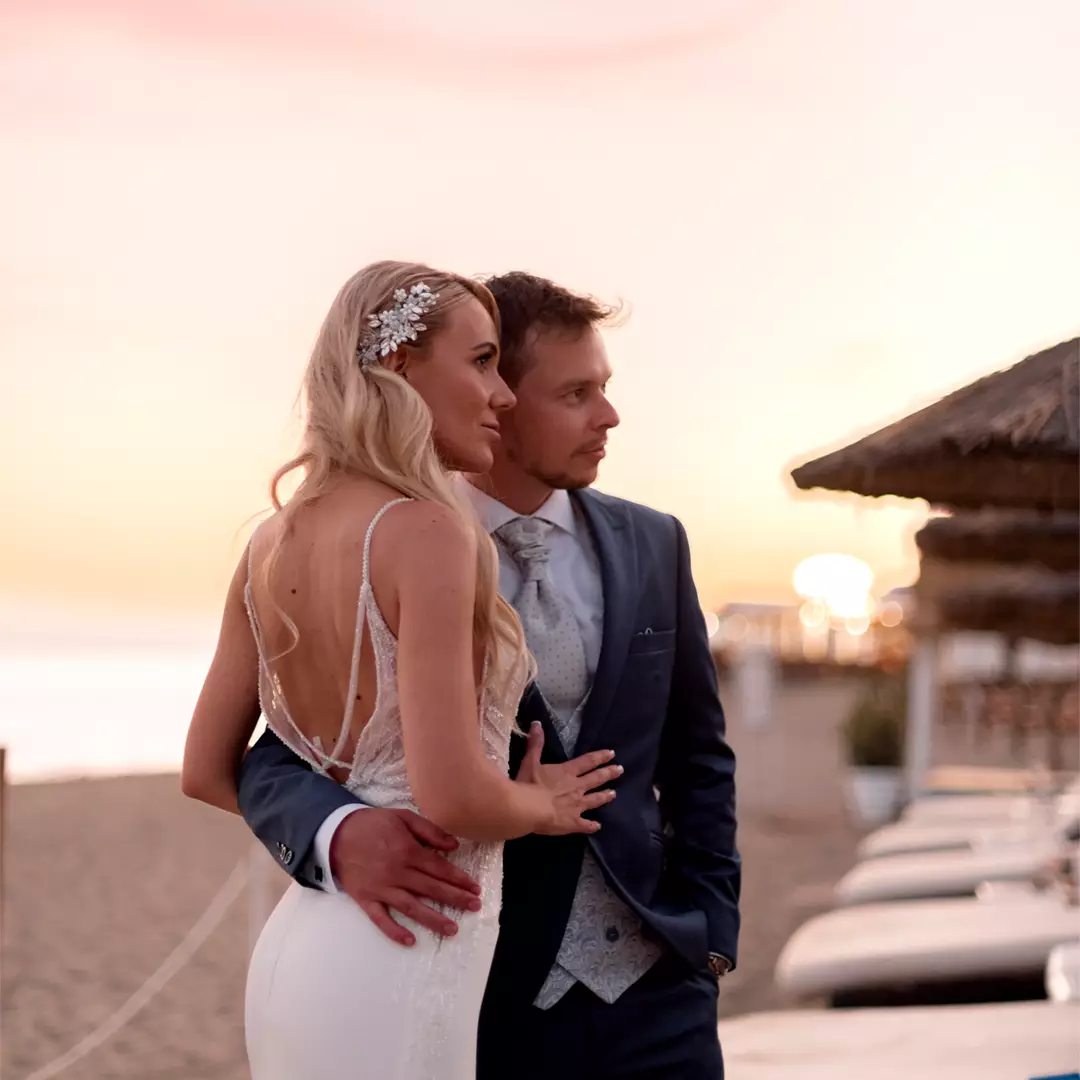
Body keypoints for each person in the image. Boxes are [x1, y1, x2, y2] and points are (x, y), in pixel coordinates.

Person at [237, 270, 741, 1079]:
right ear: (500, 391)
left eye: (604, 388)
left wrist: (712, 936)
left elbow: (699, 757)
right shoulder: (396, 537)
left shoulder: (655, 542)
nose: (608, 417)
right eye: (576, 393)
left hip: (658, 992)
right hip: (482, 992)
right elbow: (273, 750)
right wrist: (337, 833)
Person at [180, 261, 624, 1080]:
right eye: (482, 362)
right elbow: (453, 794)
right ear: (401, 366)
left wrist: (336, 827)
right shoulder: (428, 532)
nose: (502, 395)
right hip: (404, 953)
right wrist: (543, 802)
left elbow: (205, 769)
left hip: (306, 944)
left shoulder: (269, 540)